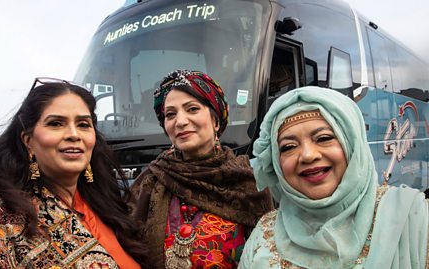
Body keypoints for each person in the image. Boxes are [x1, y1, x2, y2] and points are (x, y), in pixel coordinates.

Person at [0, 78, 146, 268]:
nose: (73, 134)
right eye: (56, 123)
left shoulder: (108, 207)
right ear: (28, 141)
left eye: (83, 125)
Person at [239, 86, 429, 269]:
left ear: (353, 144)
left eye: (323, 138)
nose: (307, 155)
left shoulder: (415, 220)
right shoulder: (264, 233)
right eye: (288, 147)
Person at [127, 70, 273, 269]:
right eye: (170, 114)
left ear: (215, 120)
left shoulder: (247, 181)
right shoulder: (150, 181)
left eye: (192, 109)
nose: (180, 121)